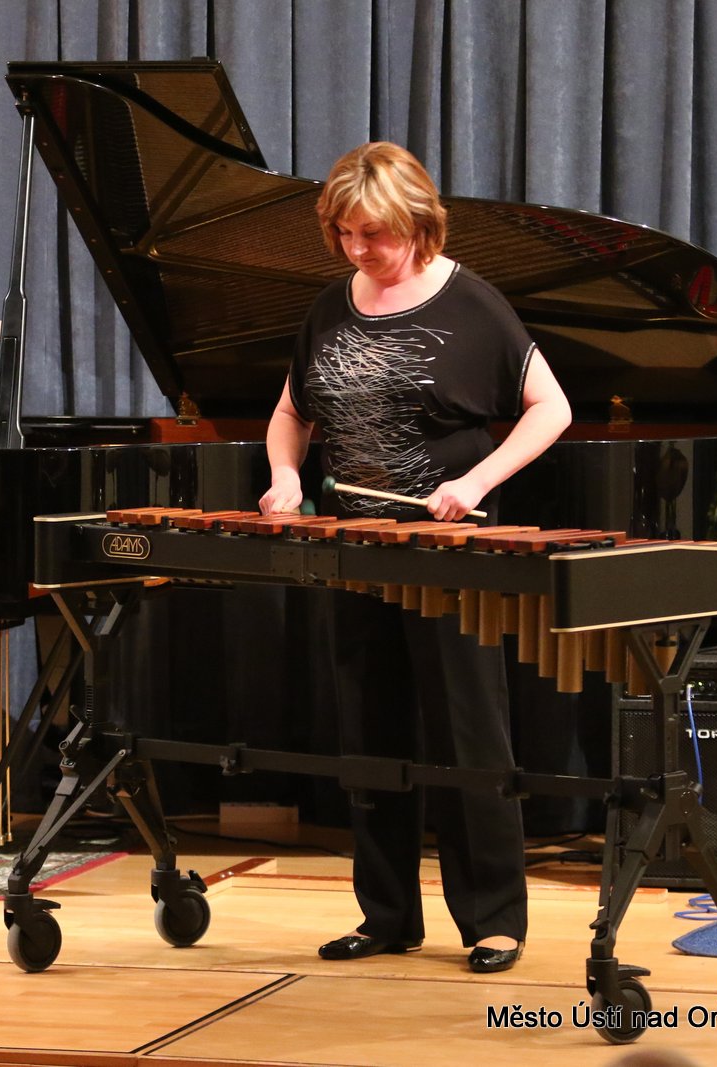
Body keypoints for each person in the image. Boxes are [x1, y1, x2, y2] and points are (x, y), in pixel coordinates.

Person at [260, 143, 571, 973]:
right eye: (346, 233)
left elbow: (552, 407)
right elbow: (291, 412)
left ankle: (493, 918)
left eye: (375, 234)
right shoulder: (330, 307)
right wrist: (286, 476)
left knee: (468, 733)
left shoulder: (473, 304)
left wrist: (475, 480)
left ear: (418, 223)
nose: (358, 248)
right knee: (370, 730)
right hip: (356, 551)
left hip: (449, 558)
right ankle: (388, 913)